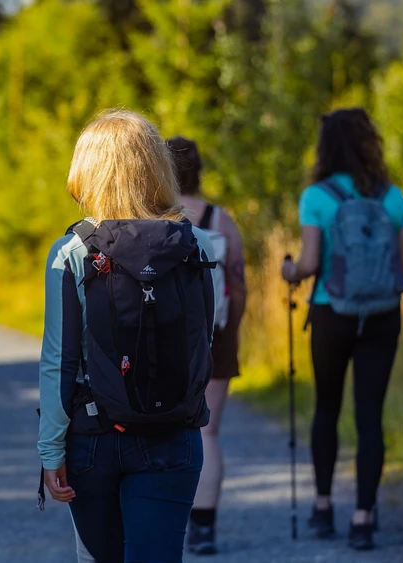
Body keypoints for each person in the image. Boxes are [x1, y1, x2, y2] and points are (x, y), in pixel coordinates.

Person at [38, 109, 218, 563]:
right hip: (175, 433)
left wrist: (50, 449)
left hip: (92, 437)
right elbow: (203, 342)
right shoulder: (197, 245)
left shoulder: (73, 252)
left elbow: (60, 361)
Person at [281, 107, 403, 551]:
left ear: (326, 147)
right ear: (368, 142)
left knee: (327, 409)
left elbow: (311, 263)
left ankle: (322, 506)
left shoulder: (316, 198)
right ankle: (362, 518)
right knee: (370, 415)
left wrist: (289, 270)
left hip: (330, 313)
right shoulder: (394, 200)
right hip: (382, 316)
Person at [165, 136, 247, 555]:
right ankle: (205, 527)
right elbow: (238, 281)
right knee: (208, 431)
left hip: (168, 341)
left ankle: (167, 517)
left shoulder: (158, 215)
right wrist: (230, 332)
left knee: (165, 429)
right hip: (215, 338)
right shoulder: (219, 218)